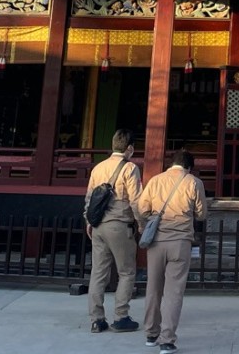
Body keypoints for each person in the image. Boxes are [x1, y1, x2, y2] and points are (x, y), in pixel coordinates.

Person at [138, 149, 207, 354]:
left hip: (156, 241)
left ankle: (151, 333)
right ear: (189, 166)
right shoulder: (193, 182)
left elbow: (141, 208)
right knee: (174, 292)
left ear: (171, 163)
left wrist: (147, 223)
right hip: (180, 241)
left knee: (153, 288)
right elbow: (202, 214)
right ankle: (167, 340)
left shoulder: (156, 180)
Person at [84, 128, 144, 333]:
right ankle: (121, 316)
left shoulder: (98, 168)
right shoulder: (130, 168)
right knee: (126, 272)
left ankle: (96, 319)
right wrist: (142, 223)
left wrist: (88, 221)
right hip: (119, 225)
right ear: (129, 148)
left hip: (99, 225)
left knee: (98, 273)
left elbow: (90, 198)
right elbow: (136, 200)